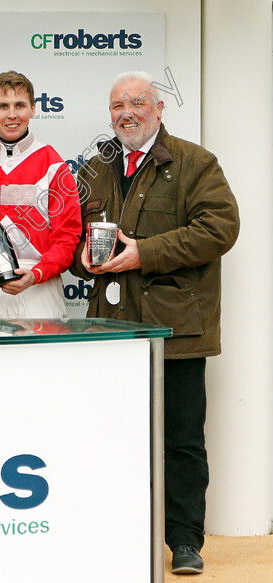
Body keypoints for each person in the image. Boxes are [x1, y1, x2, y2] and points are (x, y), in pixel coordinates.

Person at [69, 71, 240, 575]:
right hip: (110, 331)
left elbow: (220, 228)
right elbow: (80, 237)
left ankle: (184, 541)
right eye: (118, 103)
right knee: (113, 434)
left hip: (176, 331)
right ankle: (118, 530)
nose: (128, 111)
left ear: (159, 109)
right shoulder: (95, 169)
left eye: (138, 101)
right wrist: (83, 259)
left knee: (181, 441)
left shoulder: (195, 161)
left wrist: (145, 253)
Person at [0, 70, 81, 319]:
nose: (11, 115)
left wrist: (38, 274)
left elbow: (67, 240)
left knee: (41, 359)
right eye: (3, 106)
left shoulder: (55, 167)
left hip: (41, 285)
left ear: (32, 109)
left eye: (19, 105)